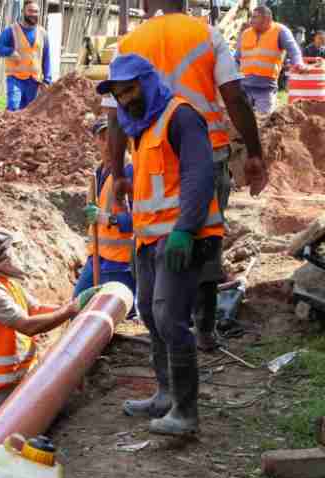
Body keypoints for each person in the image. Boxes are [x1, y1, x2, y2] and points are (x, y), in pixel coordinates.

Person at [101, 0, 265, 352]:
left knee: (153, 238)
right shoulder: (206, 35)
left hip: (152, 153)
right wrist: (254, 152)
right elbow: (234, 98)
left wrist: (118, 173)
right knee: (204, 238)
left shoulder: (129, 44)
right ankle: (204, 330)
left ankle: (164, 327)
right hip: (207, 151)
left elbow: (115, 118)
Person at [97, 54, 225, 436]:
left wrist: (185, 229)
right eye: (119, 94)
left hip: (182, 237)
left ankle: (186, 412)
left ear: (149, 82)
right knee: (152, 316)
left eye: (131, 89)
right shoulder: (143, 124)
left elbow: (199, 175)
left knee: (170, 317)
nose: (125, 100)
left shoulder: (180, 117)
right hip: (151, 237)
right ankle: (165, 395)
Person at [0, 227, 101, 414]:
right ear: (5, 256)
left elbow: (37, 309)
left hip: (18, 382)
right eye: (15, 251)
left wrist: (76, 306)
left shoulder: (8, 283)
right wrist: (70, 310)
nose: (19, 256)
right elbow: (27, 326)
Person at [74, 118, 136, 307]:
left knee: (113, 313)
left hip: (119, 262)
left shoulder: (130, 171)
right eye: (102, 137)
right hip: (97, 257)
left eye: (113, 136)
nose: (108, 142)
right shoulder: (99, 172)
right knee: (77, 306)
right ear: (95, 141)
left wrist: (106, 218)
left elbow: (140, 219)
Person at [235, 6, 303, 114]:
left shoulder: (280, 31)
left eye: (255, 17)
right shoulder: (245, 34)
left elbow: (294, 50)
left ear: (267, 20)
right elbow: (237, 58)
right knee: (243, 122)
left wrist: (298, 63)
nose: (251, 20)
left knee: (265, 121)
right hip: (244, 88)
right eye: (251, 17)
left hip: (265, 89)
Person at [0, 0, 52, 111]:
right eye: (30, 11)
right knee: (13, 106)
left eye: (36, 11)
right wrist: (10, 52)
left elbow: (46, 57)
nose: (33, 14)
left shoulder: (43, 33)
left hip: (34, 81)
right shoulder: (11, 30)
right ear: (23, 12)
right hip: (15, 78)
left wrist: (47, 80)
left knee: (30, 111)